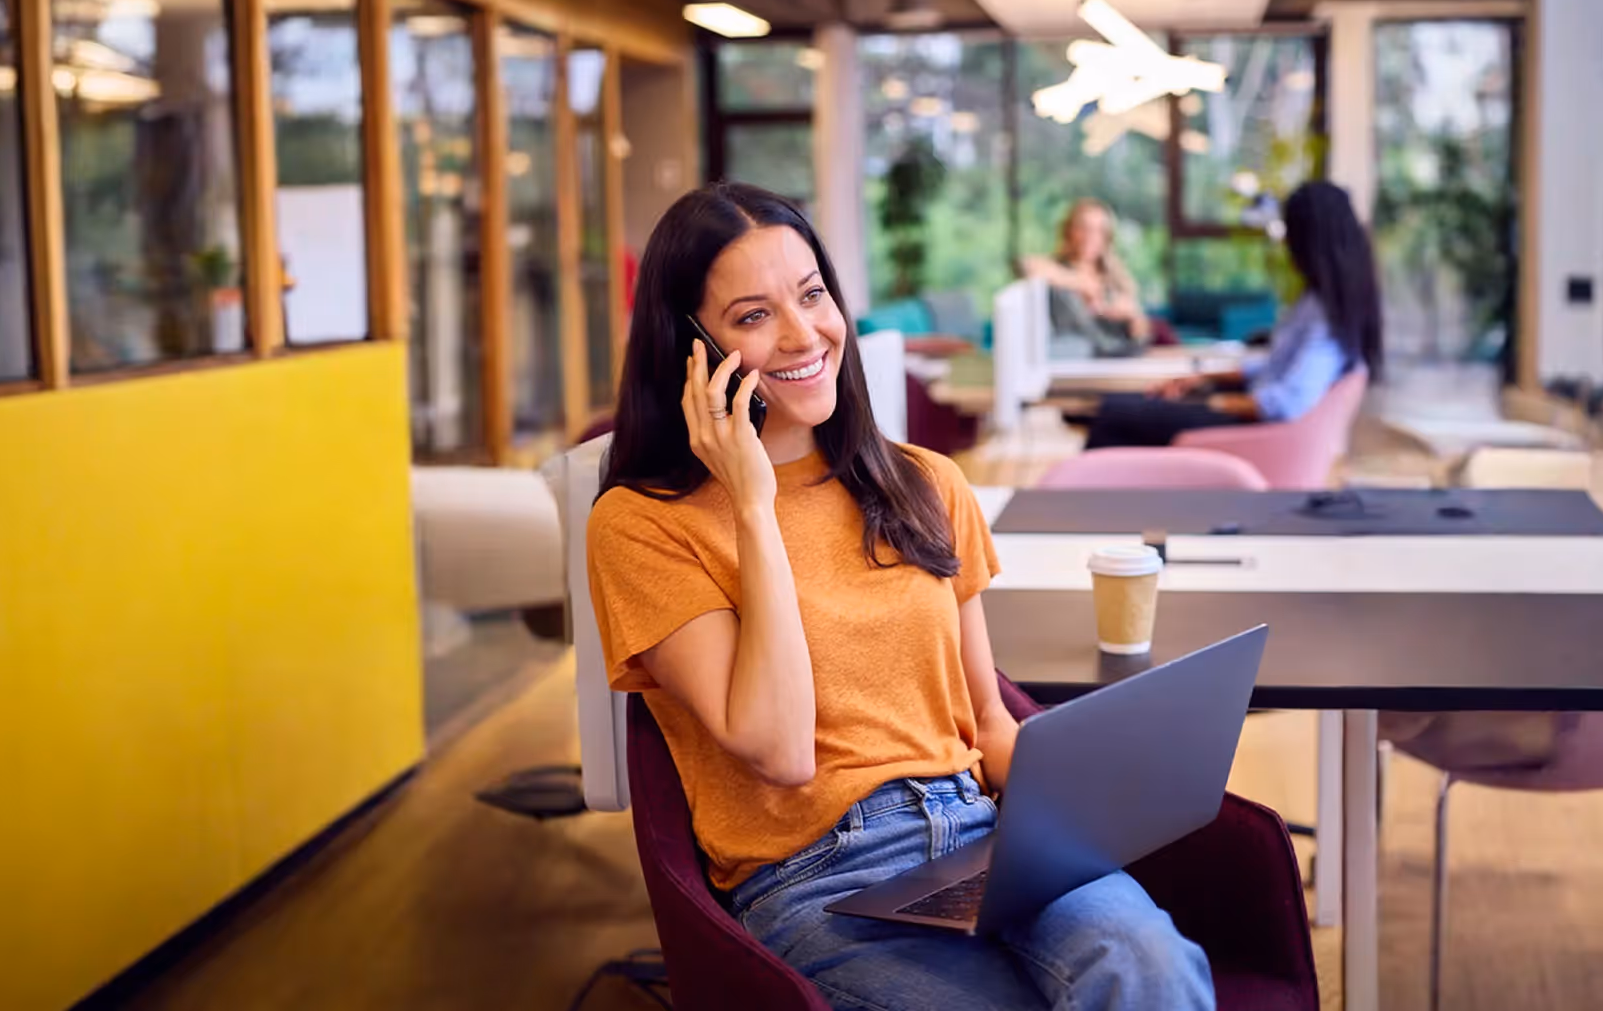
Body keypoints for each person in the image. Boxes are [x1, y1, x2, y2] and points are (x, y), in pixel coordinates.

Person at [587, 182, 1216, 1011]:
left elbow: (986, 719)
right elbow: (779, 750)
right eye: (752, 315)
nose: (804, 333)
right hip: (816, 878)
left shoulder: (925, 482)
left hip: (984, 833)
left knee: (1150, 968)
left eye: (812, 295)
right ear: (691, 346)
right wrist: (751, 503)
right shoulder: (640, 527)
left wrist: (1084, 814)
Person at [1082, 181, 1383, 449]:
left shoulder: (1326, 314)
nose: (1286, 244)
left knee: (1114, 415)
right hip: (1253, 417)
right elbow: (1276, 366)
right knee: (1125, 408)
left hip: (1257, 432)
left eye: (1291, 231)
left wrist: (1213, 403)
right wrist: (1203, 379)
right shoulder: (1320, 301)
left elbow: (1287, 402)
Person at [1021, 198, 1152, 355]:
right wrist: (1084, 284)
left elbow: (1139, 337)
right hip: (1075, 362)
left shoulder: (1116, 278)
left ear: (1107, 237)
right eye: (1084, 228)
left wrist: (1133, 316)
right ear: (1069, 231)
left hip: (1119, 363)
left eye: (1099, 230)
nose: (1090, 236)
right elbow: (1027, 265)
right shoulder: (1057, 269)